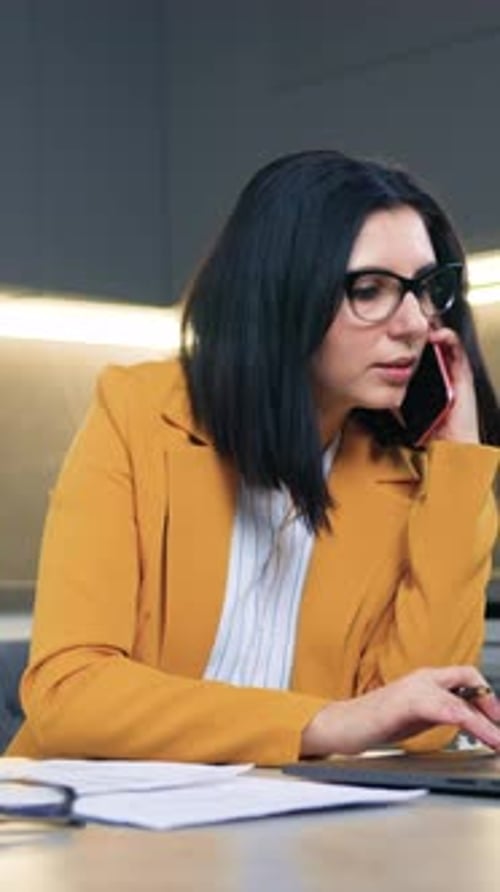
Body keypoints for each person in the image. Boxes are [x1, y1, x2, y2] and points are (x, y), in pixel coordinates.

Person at [7, 149, 500, 764]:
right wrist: (323, 723)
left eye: (427, 290)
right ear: (280, 292)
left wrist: (459, 467)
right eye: (370, 290)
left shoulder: (403, 477)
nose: (415, 324)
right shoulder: (137, 415)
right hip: (83, 827)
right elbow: (68, 692)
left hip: (284, 833)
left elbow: (420, 724)